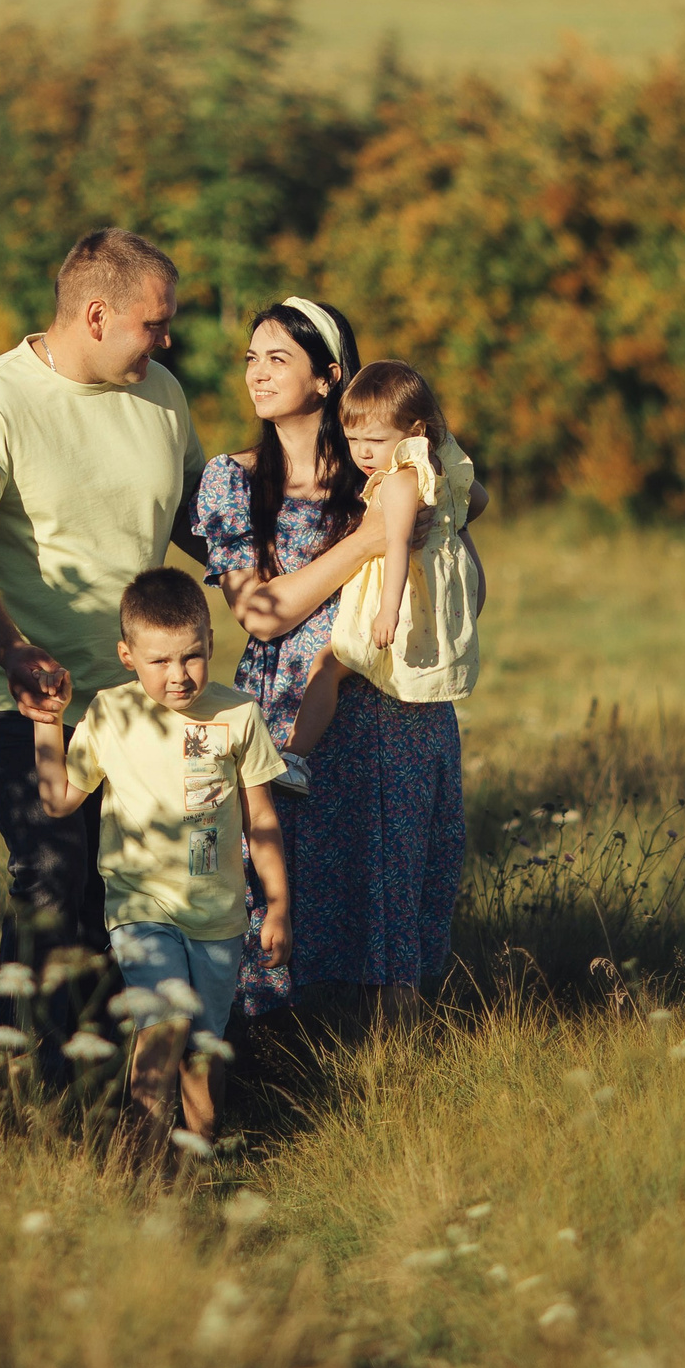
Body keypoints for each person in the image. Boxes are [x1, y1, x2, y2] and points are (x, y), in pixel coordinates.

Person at [0, 229, 206, 1086]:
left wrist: (260, 577)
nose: (167, 340)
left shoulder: (161, 393)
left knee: (122, 892)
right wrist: (13, 651)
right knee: (52, 867)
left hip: (135, 699)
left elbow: (196, 518)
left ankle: (102, 1080)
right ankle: (33, 1086)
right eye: (155, 324)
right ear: (96, 315)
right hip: (14, 693)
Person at [190, 298, 480, 1025]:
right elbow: (262, 613)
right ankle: (274, 1057)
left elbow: (463, 553)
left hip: (392, 704)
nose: (256, 373)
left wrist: (423, 509)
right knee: (275, 886)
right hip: (289, 712)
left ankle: (391, 1066)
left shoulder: (383, 467)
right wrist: (371, 540)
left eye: (277, 358)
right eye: (251, 358)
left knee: (388, 885)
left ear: (328, 377)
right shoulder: (233, 478)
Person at [31, 569, 291, 1141]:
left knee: (203, 1049)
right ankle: (143, 1160)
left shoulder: (238, 715)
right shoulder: (110, 714)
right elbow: (59, 799)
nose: (179, 675)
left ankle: (198, 1161)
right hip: (141, 907)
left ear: (211, 644)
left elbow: (261, 819)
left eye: (192, 656)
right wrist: (47, 722)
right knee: (163, 1025)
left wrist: (276, 906)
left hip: (219, 917)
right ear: (127, 656)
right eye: (159, 661)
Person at [282, 361, 483, 771]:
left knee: (328, 665)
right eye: (353, 439)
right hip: (438, 591)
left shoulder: (398, 480)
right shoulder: (440, 467)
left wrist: (387, 610)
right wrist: (450, 529)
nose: (363, 452)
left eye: (375, 440)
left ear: (415, 432)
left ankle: (293, 756)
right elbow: (478, 500)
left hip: (399, 596)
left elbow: (396, 544)